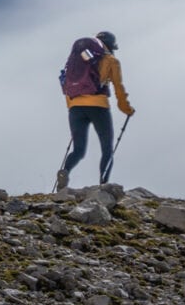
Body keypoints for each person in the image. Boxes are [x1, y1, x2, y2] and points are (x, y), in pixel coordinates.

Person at [57, 31, 135, 189]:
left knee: (78, 149)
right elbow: (119, 88)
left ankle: (65, 171)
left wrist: (74, 105)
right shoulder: (111, 60)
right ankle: (103, 184)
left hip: (75, 107)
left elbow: (67, 86)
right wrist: (126, 109)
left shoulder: (76, 60)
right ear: (111, 46)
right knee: (107, 147)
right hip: (98, 107)